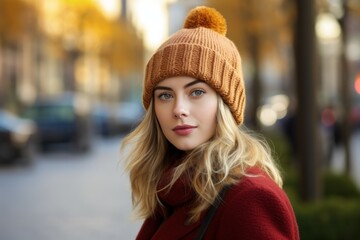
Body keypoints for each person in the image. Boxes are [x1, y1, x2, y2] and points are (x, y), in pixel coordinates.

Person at [121, 6, 300, 240]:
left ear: (225, 103)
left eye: (196, 92)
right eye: (165, 95)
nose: (178, 109)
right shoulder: (170, 190)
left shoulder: (249, 199)